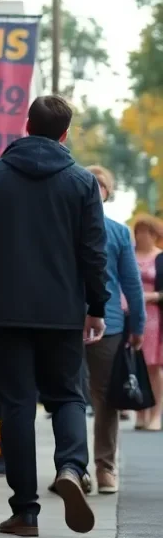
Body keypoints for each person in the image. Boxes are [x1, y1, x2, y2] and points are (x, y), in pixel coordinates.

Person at [0, 95, 108, 538]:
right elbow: (92, 252)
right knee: (65, 396)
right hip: (63, 311)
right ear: (64, 134)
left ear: (26, 126)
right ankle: (71, 467)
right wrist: (96, 306)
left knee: (17, 405)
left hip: (5, 310)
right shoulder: (82, 183)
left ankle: (25, 512)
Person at [83, 166, 144, 493]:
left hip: (110, 327)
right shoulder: (64, 228)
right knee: (67, 399)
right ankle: (72, 467)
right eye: (89, 183)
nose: (95, 189)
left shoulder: (118, 232)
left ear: (108, 192)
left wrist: (138, 325)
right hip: (63, 324)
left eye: (101, 185)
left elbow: (131, 284)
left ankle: (105, 469)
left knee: (106, 400)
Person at [132, 214, 163, 430]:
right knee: (135, 365)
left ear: (155, 235)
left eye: (146, 232)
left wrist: (154, 296)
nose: (142, 236)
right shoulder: (130, 254)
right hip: (132, 313)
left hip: (154, 316)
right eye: (139, 232)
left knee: (153, 367)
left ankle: (156, 414)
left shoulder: (160, 258)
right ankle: (140, 412)